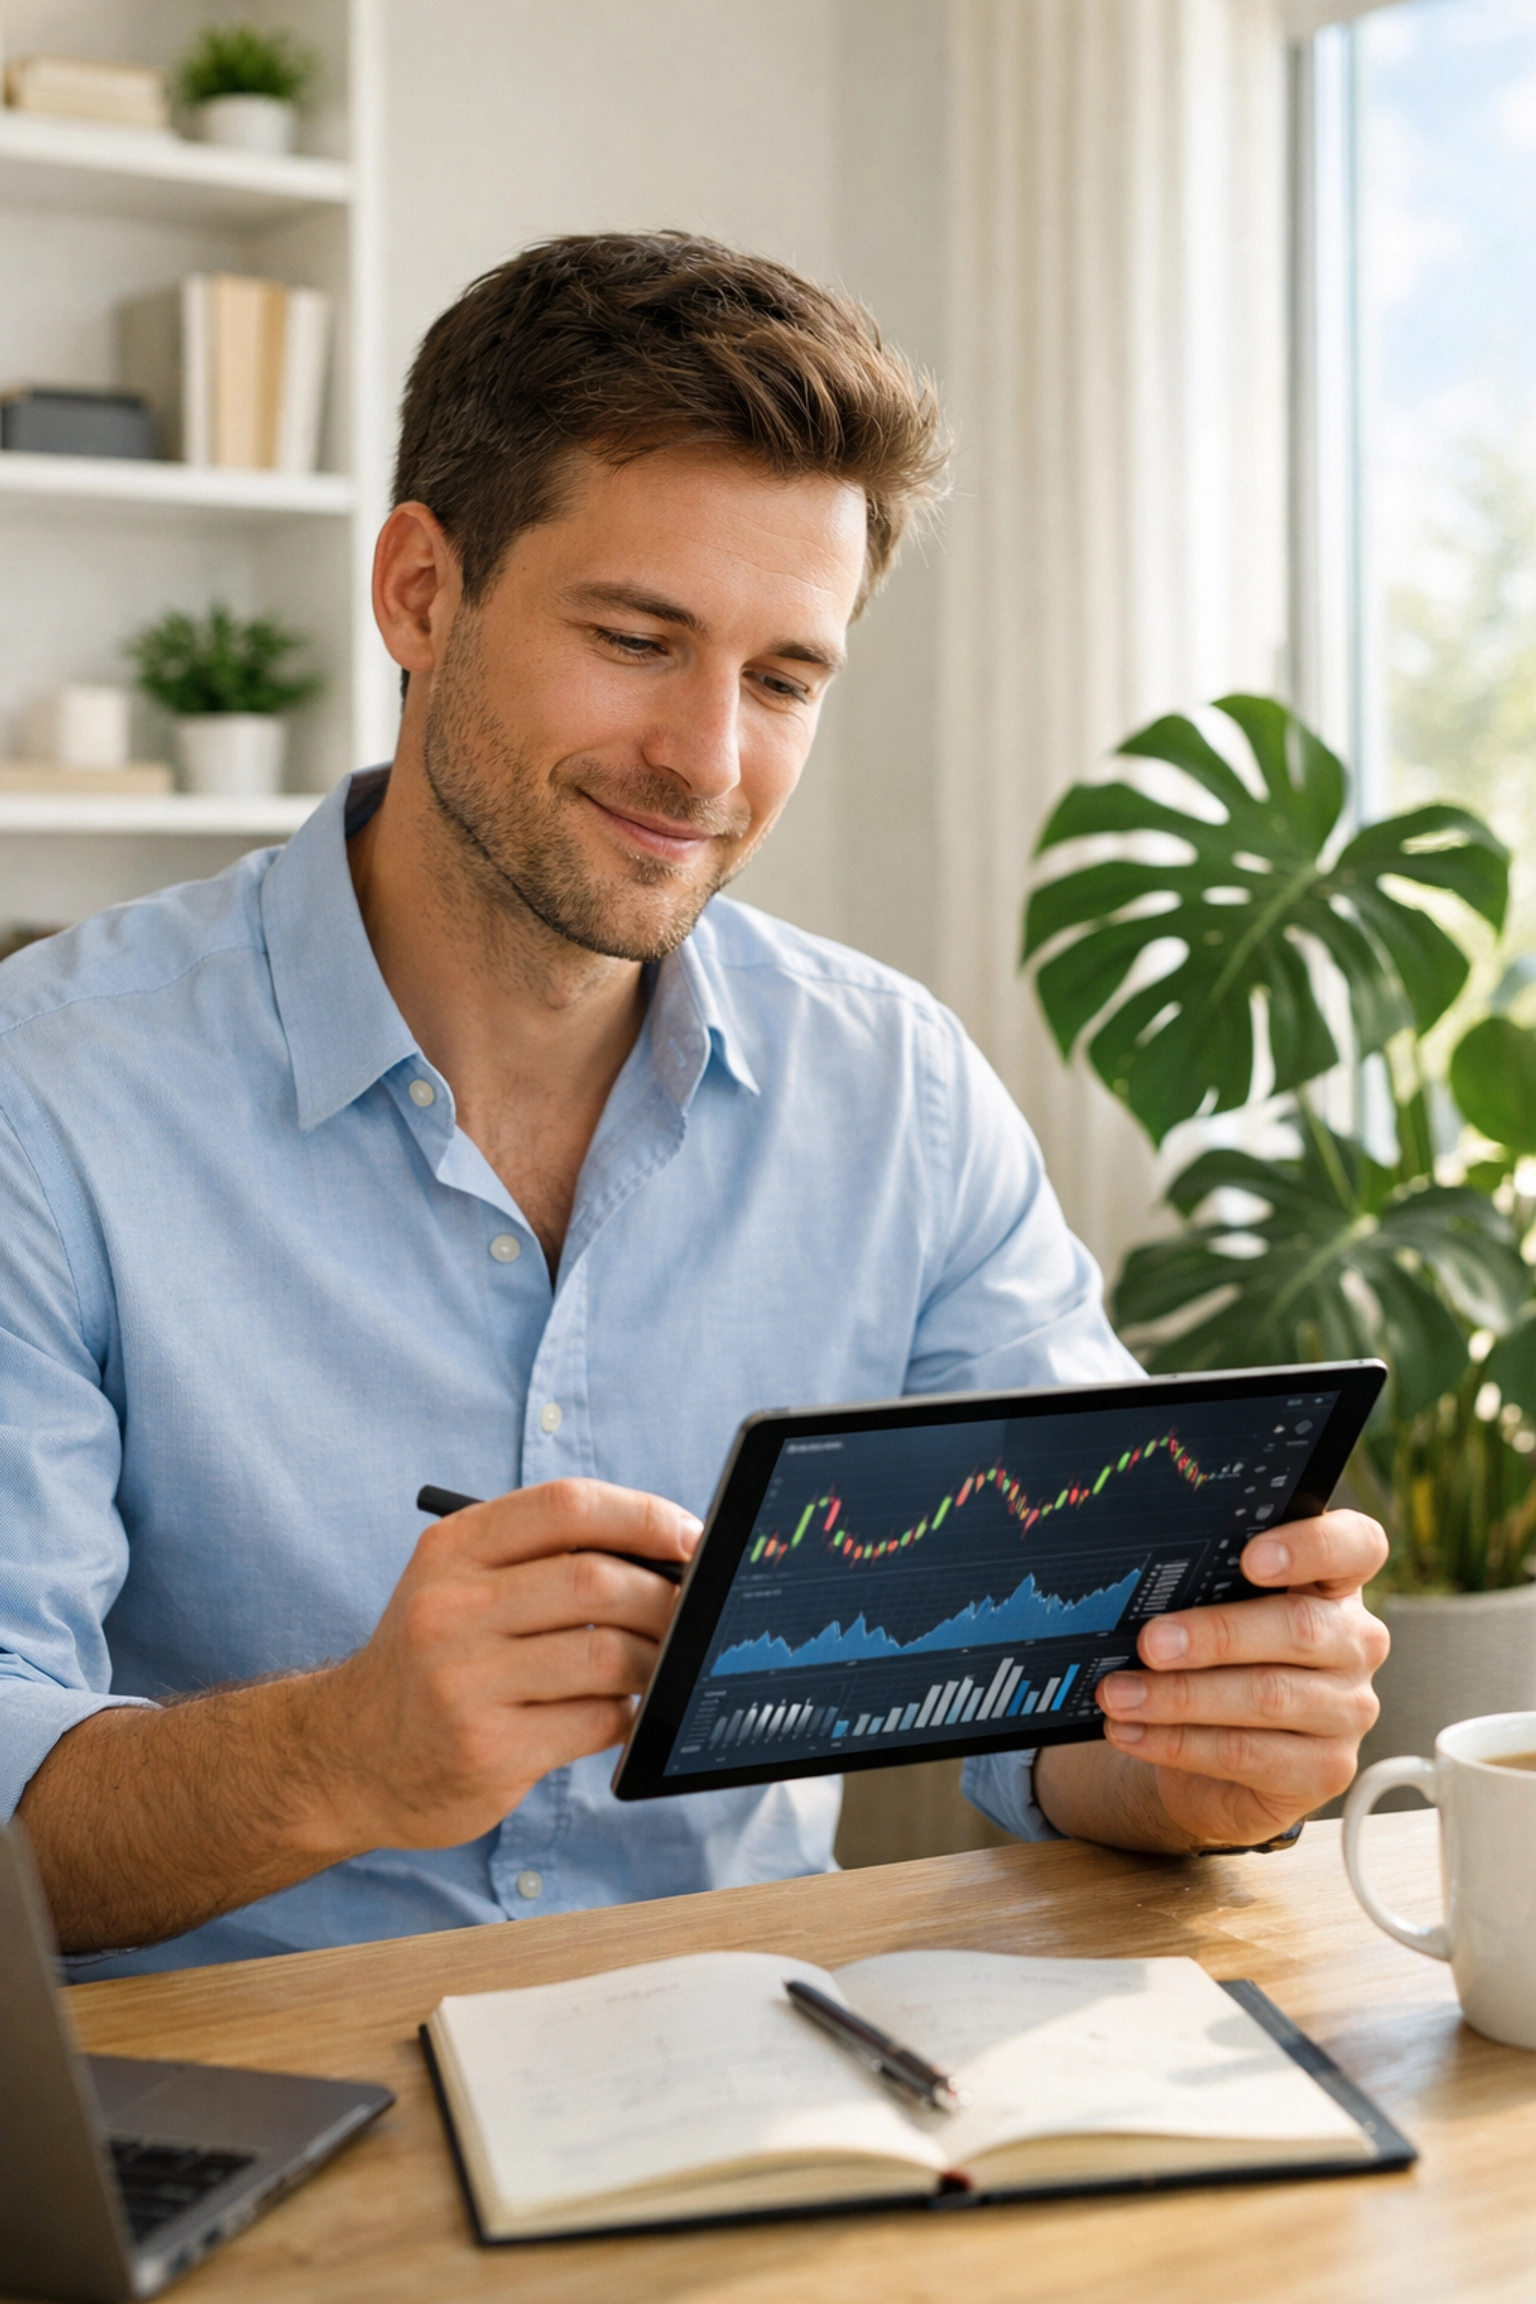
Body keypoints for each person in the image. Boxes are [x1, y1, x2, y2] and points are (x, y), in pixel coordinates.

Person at [0, 233, 1387, 1976]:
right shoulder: (45, 1100)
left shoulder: (900, 1096)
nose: (709, 762)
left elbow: (1072, 1709)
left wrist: (1207, 1753)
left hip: (750, 2096)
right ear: (421, 592)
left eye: (785, 679)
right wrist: (342, 1755)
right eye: (639, 638)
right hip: (240, 2138)